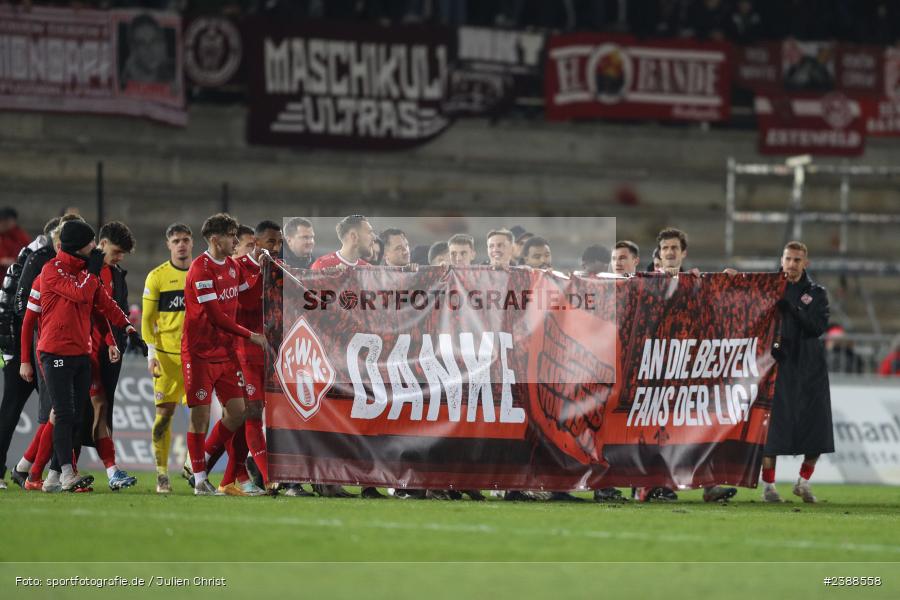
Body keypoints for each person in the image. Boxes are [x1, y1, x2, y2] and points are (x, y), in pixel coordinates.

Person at [33, 220, 146, 492]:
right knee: (63, 414)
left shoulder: (85, 271)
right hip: (55, 351)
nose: (95, 248)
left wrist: (129, 328)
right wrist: (93, 272)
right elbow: (81, 294)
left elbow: (105, 305)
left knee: (75, 415)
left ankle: (51, 477)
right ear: (78, 246)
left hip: (81, 353)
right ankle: (65, 473)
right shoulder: (52, 270)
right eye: (90, 243)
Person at [634, 227, 736, 503]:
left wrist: (727, 283)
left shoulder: (695, 282)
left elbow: (715, 304)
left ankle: (707, 484)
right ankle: (650, 485)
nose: (669, 252)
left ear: (683, 253)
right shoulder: (646, 282)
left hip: (687, 365)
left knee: (697, 422)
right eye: (665, 248)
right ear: (659, 253)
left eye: (674, 248)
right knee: (657, 428)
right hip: (655, 367)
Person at [182, 213, 266, 496]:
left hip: (225, 353)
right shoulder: (200, 269)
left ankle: (201, 461)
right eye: (231, 236)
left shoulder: (232, 266)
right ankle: (200, 478)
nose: (235, 241)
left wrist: (261, 268)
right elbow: (216, 317)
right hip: (200, 353)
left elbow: (249, 295)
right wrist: (250, 335)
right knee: (201, 418)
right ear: (215, 239)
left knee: (239, 412)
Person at [761, 241, 833, 504]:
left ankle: (803, 482)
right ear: (782, 260)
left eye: (797, 260)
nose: (791, 265)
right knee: (773, 429)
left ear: (806, 263)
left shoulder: (817, 293)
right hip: (778, 366)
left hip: (810, 367)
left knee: (817, 427)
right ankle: (768, 486)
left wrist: (794, 310)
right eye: (788, 259)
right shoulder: (768, 288)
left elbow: (817, 327)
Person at [0, 216, 60, 489]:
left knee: (59, 411)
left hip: (32, 348)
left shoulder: (30, 256)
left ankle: (39, 471)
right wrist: (18, 355)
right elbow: (19, 307)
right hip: (26, 349)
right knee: (13, 409)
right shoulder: (39, 259)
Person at [84, 222, 140, 491]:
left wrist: (123, 338)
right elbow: (94, 311)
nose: (119, 258)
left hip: (109, 351)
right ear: (102, 243)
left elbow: (117, 312)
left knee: (102, 407)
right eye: (116, 251)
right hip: (86, 350)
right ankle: (41, 470)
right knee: (77, 411)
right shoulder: (86, 271)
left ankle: (32, 469)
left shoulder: (116, 274)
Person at [143, 223, 192, 494]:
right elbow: (147, 321)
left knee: (200, 414)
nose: (181, 245)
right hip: (167, 358)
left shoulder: (200, 273)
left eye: (185, 240)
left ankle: (190, 464)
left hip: (195, 357)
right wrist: (151, 354)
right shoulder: (157, 277)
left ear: (192, 242)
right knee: (164, 417)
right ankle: (162, 474)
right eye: (176, 241)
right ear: (169, 245)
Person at [310, 215, 375, 270]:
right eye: (369, 232)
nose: (374, 237)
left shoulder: (367, 269)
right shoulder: (322, 266)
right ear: (354, 236)